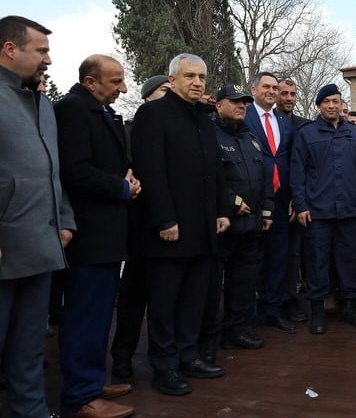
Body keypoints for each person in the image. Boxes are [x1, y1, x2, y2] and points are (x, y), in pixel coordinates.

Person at [131, 53, 230, 396]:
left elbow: (215, 169)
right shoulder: (152, 114)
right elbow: (151, 170)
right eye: (189, 76)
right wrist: (164, 218)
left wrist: (222, 210)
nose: (198, 82)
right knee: (165, 301)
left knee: (194, 299)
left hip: (203, 229)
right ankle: (164, 365)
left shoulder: (203, 118)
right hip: (169, 230)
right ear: (171, 80)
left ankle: (189, 356)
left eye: (202, 76)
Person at [54, 55, 137, 418]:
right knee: (84, 315)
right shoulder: (72, 110)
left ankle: (91, 380)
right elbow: (74, 171)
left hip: (106, 235)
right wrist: (121, 187)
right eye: (116, 81)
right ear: (90, 82)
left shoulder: (99, 111)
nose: (123, 88)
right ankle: (80, 397)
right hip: (88, 235)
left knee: (100, 315)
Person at [0, 15, 75, 418]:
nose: (48, 59)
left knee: (29, 346)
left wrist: (64, 218)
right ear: (10, 49)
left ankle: (32, 411)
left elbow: (52, 170)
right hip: (5, 248)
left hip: (41, 245)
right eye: (41, 50)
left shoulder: (43, 103)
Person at [201, 85, 275, 361]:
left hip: (252, 223)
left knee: (244, 281)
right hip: (223, 223)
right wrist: (230, 201)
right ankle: (208, 338)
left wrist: (267, 210)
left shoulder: (250, 137)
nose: (241, 106)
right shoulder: (208, 134)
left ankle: (237, 330)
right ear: (219, 105)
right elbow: (208, 176)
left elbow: (264, 175)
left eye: (244, 102)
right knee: (211, 285)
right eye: (235, 102)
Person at [291, 83, 356, 334]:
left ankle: (349, 307)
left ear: (341, 104)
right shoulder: (306, 134)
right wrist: (301, 204)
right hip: (318, 211)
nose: (332, 105)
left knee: (348, 261)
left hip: (348, 209)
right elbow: (297, 172)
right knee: (317, 262)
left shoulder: (355, 134)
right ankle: (317, 312)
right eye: (327, 102)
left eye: (336, 101)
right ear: (319, 105)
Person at [110, 74, 171, 380]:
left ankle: (164, 357)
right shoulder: (129, 130)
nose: (170, 95)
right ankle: (122, 358)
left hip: (171, 232)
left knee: (165, 300)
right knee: (133, 299)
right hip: (140, 230)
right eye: (164, 91)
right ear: (148, 96)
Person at [244, 71, 297, 334]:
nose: (272, 91)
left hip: (281, 200)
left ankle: (273, 310)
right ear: (253, 89)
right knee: (251, 259)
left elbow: (289, 161)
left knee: (278, 257)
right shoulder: (243, 115)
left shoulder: (284, 123)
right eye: (266, 86)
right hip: (251, 201)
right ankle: (247, 313)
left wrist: (293, 198)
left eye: (275, 88)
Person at [276, 77, 311, 321]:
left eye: (292, 94)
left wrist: (297, 198)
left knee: (294, 254)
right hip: (270, 199)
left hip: (296, 199)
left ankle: (290, 300)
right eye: (284, 93)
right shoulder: (260, 122)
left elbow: (306, 167)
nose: (289, 98)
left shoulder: (304, 126)